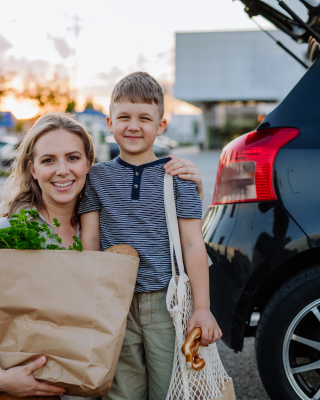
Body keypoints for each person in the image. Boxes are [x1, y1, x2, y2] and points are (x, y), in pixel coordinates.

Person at [0, 112, 206, 400]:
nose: (62, 170)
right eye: (48, 160)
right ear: (32, 168)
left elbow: (182, 247)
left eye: (73, 158)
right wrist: (1, 378)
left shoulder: (106, 235)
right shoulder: (9, 231)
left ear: (89, 165)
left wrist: (188, 191)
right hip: (10, 393)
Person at [79, 72, 222, 400]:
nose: (133, 126)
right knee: (121, 388)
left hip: (165, 302)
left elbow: (192, 243)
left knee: (170, 386)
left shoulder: (177, 176)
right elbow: (90, 240)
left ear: (161, 126)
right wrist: (91, 295)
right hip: (116, 301)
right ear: (109, 123)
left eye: (145, 118)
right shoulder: (97, 177)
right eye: (124, 117)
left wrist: (202, 307)